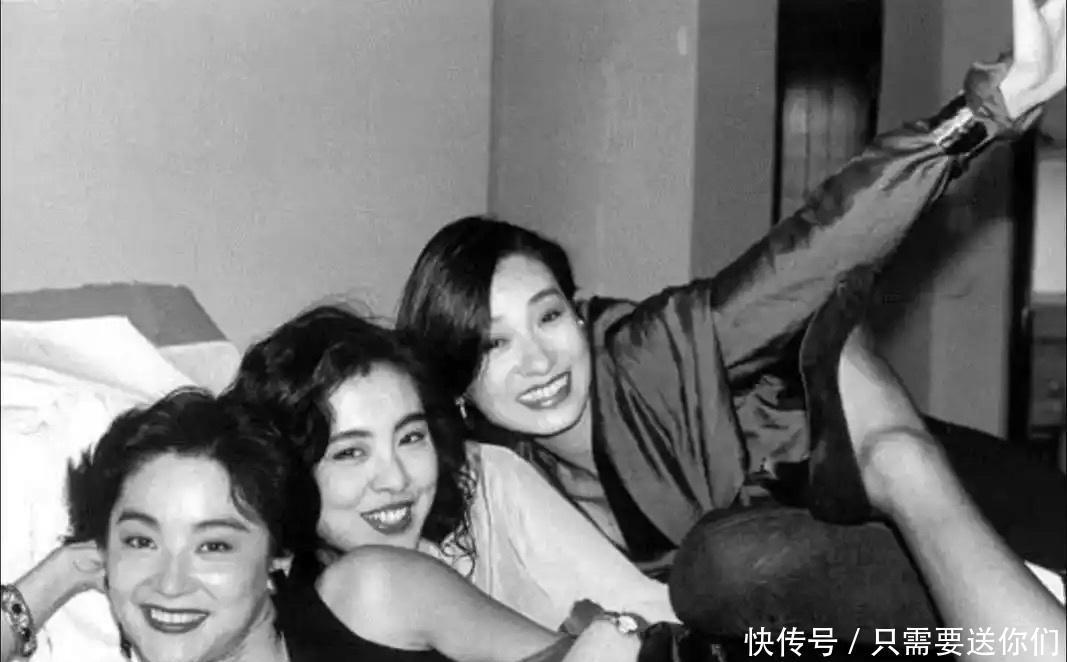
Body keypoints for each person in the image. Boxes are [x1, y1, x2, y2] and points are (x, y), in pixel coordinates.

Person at [394, 0, 1067, 634]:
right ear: (458, 382)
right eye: (493, 346)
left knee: (719, 565)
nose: (538, 361)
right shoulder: (511, 477)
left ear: (577, 314)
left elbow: (816, 248)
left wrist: (983, 112)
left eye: (546, 318)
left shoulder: (653, 356)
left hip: (972, 514)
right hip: (858, 601)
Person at [0, 389, 647, 662]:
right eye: (142, 540)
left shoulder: (371, 597)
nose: (170, 582)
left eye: (214, 545)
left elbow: (600, 655)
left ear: (277, 558)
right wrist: (58, 575)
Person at [224, 304, 677, 630]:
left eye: (411, 437)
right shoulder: (254, 608)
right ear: (284, 470)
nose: (396, 479)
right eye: (350, 453)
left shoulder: (483, 486)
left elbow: (644, 609)